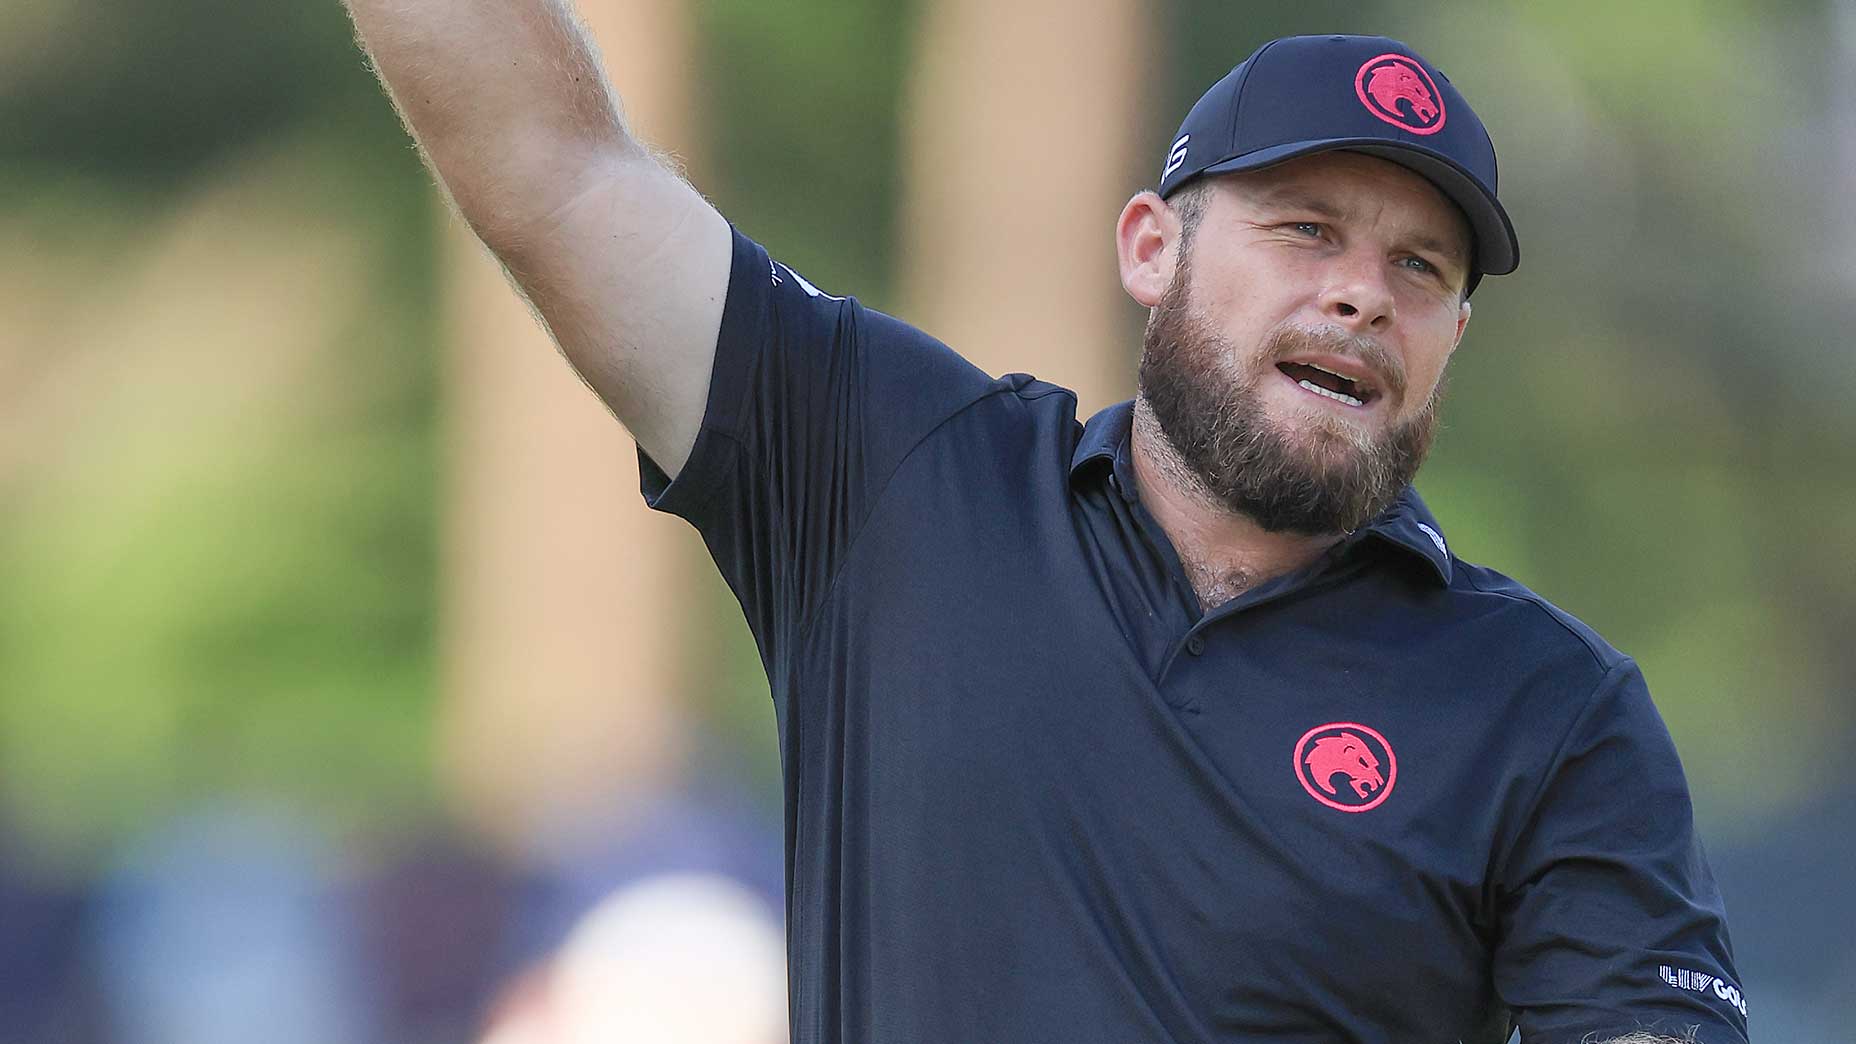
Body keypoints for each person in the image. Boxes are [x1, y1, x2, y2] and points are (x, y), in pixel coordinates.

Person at [341, 5, 1747, 1041]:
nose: (1362, 293)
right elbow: (558, 171)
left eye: (1420, 267)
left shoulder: (1549, 711)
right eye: (1306, 230)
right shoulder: (892, 476)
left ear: (1448, 337)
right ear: (1153, 247)